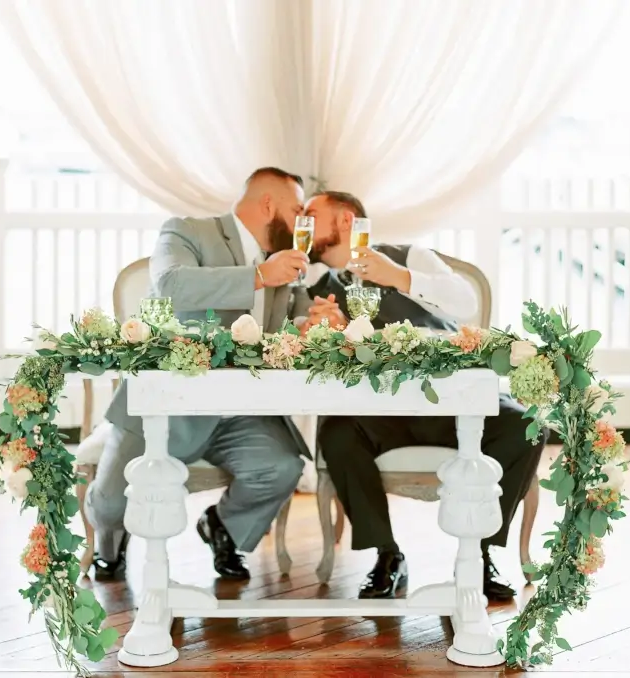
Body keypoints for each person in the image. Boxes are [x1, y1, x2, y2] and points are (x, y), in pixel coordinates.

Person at [297, 191, 547, 602]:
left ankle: (479, 554)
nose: (301, 224)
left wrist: (398, 275)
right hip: (376, 412)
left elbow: (465, 302)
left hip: (448, 403)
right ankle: (387, 556)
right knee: (336, 434)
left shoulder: (408, 256)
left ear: (345, 220)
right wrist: (333, 332)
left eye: (310, 214)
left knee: (526, 426)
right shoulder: (313, 285)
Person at [85, 167, 311, 581]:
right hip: (167, 406)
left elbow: (289, 323)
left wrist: (309, 323)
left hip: (242, 409)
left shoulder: (285, 264)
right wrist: (259, 276)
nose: (303, 222)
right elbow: (171, 286)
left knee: (282, 467)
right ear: (268, 205)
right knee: (114, 505)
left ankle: (222, 525)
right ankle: (108, 541)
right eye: (298, 210)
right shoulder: (187, 231)